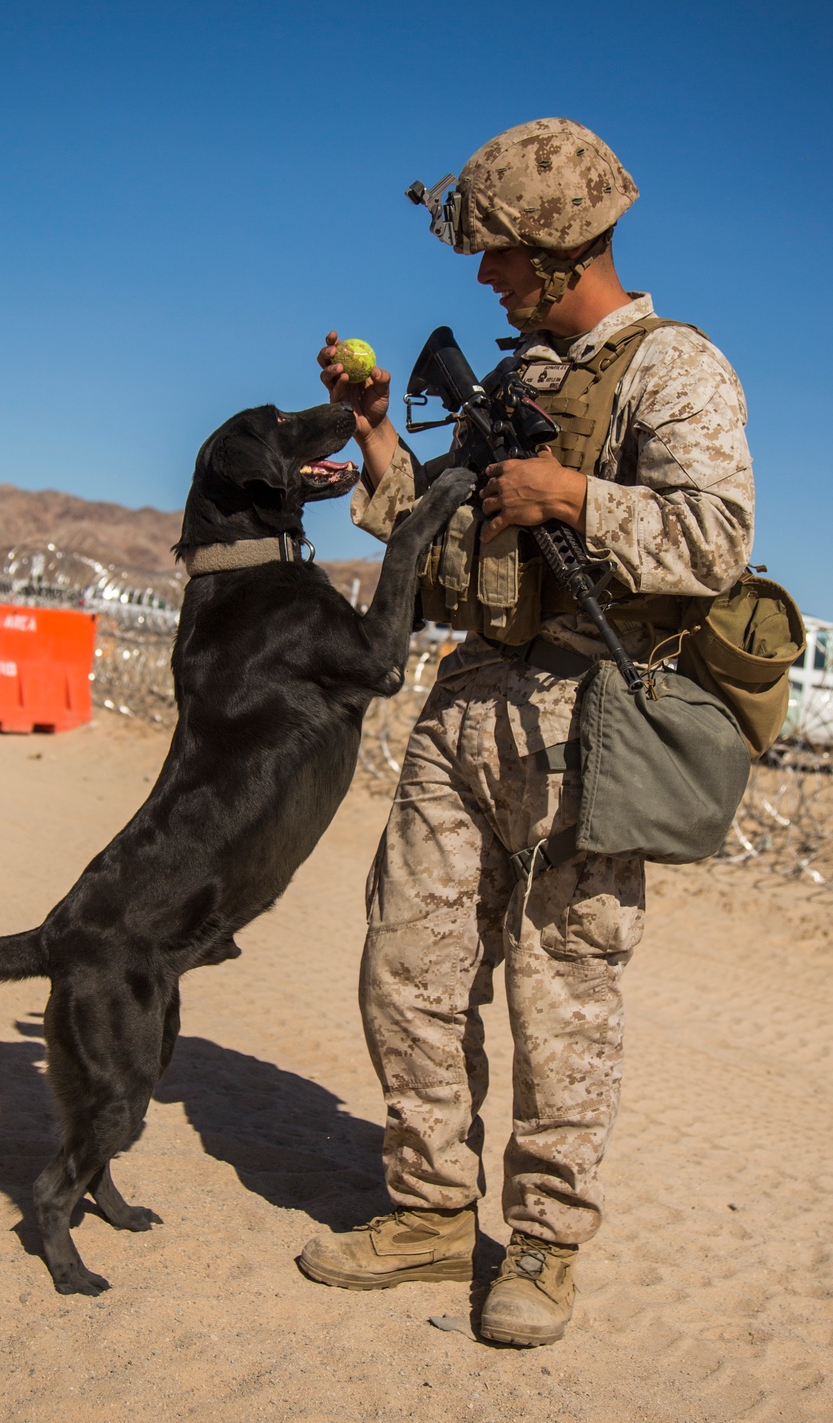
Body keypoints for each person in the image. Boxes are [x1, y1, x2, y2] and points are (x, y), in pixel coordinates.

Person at [297, 117, 754, 1346]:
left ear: (558, 249)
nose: (484, 273)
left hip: (585, 721)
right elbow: (424, 522)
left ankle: (544, 1247)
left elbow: (716, 540)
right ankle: (432, 1210)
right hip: (469, 701)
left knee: (563, 996)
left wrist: (572, 496)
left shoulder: (673, 369)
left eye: (500, 252)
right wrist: (378, 426)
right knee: (408, 966)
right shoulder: (513, 376)